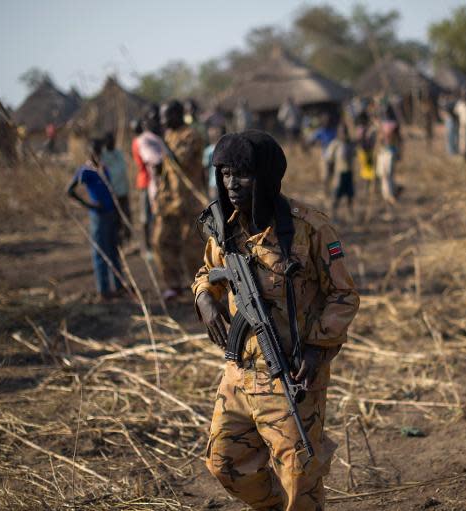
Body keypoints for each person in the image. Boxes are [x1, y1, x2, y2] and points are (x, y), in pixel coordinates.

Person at [193, 130, 359, 511]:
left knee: (300, 480)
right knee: (224, 463)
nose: (232, 185)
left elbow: (343, 295)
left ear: (267, 176)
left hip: (292, 375)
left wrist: (317, 349)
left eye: (244, 175)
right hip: (238, 376)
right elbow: (206, 272)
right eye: (225, 174)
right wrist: (205, 298)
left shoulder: (309, 229)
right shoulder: (225, 227)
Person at [154, 99, 206, 301]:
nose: (162, 120)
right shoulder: (168, 135)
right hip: (169, 201)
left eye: (165, 115)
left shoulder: (191, 135)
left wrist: (161, 144)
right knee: (162, 241)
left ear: (177, 114)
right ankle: (173, 284)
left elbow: (180, 161)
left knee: (191, 246)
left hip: (189, 200)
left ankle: (201, 286)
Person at [67, 138, 123, 301]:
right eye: (95, 151)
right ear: (89, 152)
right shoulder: (85, 171)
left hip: (111, 214)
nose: (98, 154)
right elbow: (69, 190)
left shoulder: (103, 168)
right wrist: (89, 205)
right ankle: (103, 290)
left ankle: (119, 286)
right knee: (100, 253)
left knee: (114, 251)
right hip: (98, 217)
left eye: (99, 151)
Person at [101, 131, 131, 243]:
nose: (112, 142)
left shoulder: (119, 153)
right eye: (109, 140)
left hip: (123, 191)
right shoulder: (103, 156)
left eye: (113, 140)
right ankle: (117, 242)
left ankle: (127, 240)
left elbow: (123, 170)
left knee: (126, 218)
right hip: (112, 193)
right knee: (116, 220)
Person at [131, 118, 153, 258]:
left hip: (148, 181)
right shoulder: (139, 142)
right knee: (145, 216)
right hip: (145, 182)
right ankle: (147, 248)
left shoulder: (142, 141)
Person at [325, 123, 356, 222]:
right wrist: (329, 174)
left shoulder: (350, 144)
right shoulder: (335, 144)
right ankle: (334, 215)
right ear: (338, 133)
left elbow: (354, 155)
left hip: (349, 172)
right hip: (339, 173)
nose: (344, 134)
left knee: (350, 195)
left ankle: (350, 215)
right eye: (342, 132)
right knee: (336, 195)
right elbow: (329, 159)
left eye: (345, 131)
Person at [375, 103, 401, 204]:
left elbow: (397, 139)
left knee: (387, 175)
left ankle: (390, 195)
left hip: (389, 152)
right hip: (384, 152)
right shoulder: (383, 124)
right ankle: (387, 195)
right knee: (384, 175)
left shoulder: (392, 125)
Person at [202, 124, 225, 200]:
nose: (214, 133)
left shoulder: (224, 148)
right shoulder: (208, 151)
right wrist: (207, 186)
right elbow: (206, 170)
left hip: (224, 182)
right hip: (213, 183)